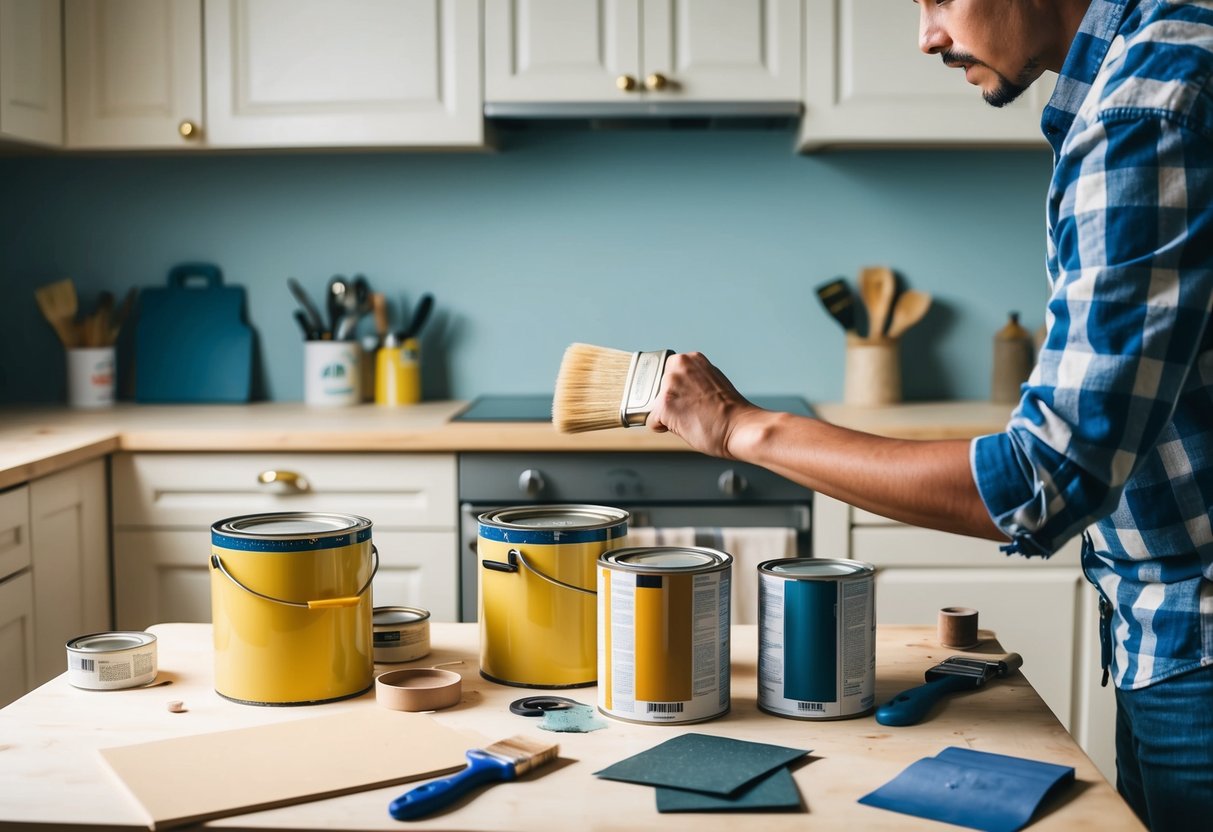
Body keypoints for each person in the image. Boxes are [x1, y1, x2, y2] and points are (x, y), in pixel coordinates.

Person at [645, 2, 1213, 830]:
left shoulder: (1144, 111)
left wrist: (740, 429)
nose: (927, 35)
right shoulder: (1171, 58)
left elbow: (1041, 480)